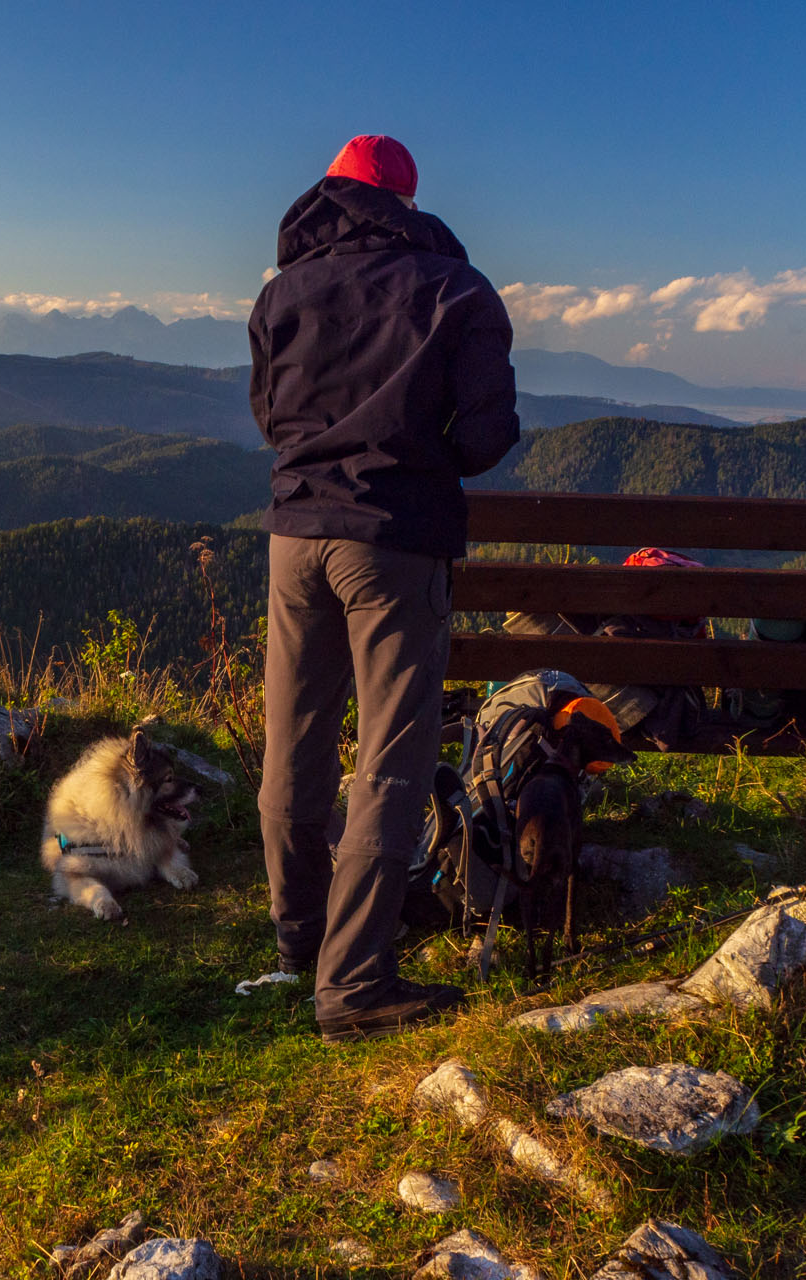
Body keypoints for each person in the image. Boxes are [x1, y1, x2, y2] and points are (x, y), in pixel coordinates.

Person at [248, 134, 520, 1043]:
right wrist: (417, 451)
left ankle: (301, 938)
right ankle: (356, 982)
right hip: (395, 544)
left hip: (295, 536)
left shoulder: (280, 290)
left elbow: (269, 417)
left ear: (333, 191)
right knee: (391, 756)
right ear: (406, 201)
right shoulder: (458, 290)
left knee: (295, 744)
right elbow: (484, 438)